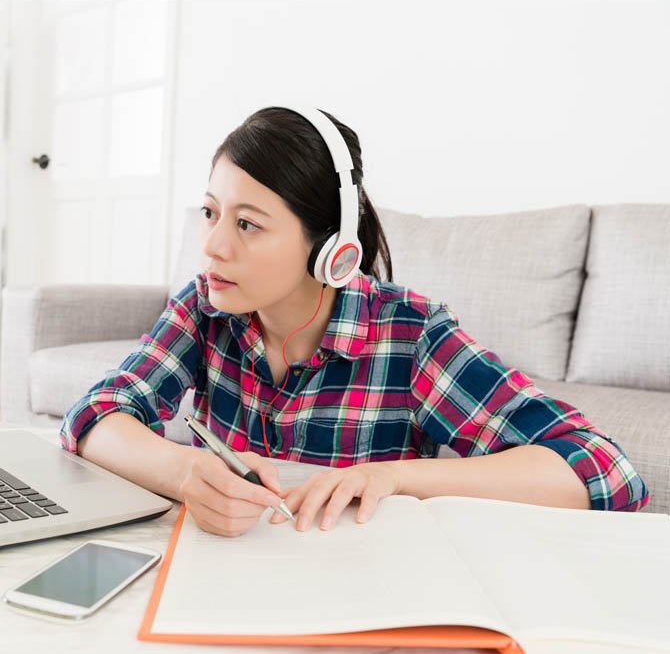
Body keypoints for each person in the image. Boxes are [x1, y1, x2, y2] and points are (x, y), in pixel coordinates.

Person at [59, 106, 650, 538]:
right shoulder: (204, 306)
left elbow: (605, 470)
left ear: (330, 247)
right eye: (210, 212)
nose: (211, 246)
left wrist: (395, 478)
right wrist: (187, 469)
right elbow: (92, 415)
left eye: (247, 224)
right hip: (231, 572)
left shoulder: (410, 335)